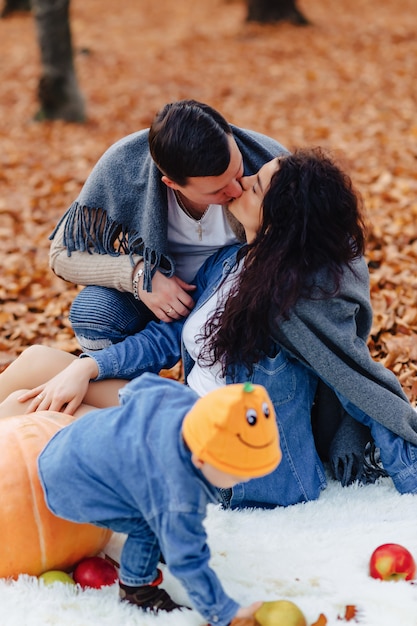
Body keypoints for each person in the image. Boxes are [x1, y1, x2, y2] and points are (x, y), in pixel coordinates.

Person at [2, 148, 417, 508]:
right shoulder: (230, 264)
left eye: (255, 186)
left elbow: (358, 377)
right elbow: (167, 336)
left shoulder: (296, 302)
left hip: (224, 458)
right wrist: (86, 368)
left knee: (34, 410)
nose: (241, 183)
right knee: (40, 363)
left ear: (280, 220)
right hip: (187, 412)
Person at [38, 375, 281, 623]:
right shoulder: (178, 497)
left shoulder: (186, 402)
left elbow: (140, 387)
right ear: (199, 460)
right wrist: (224, 611)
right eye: (237, 475)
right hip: (72, 484)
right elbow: (187, 561)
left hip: (73, 437)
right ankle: (137, 590)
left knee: (157, 510)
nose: (244, 481)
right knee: (149, 526)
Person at [49, 99, 288, 351]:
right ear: (171, 183)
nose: (237, 188)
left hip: (237, 292)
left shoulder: (269, 159)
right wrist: (139, 276)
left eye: (237, 170)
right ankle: (123, 387)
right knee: (92, 313)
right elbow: (62, 254)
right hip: (157, 295)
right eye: (218, 190)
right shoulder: (123, 166)